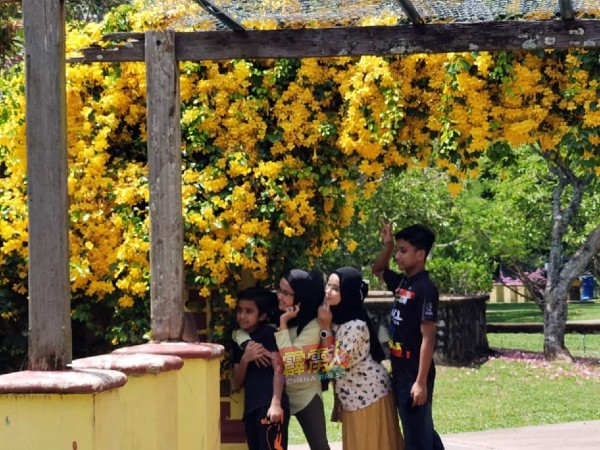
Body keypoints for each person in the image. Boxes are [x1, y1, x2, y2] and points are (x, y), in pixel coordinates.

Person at [372, 222, 445, 450]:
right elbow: (378, 270)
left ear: (420, 254)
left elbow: (428, 337)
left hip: (414, 374)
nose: (397, 256)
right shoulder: (404, 282)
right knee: (420, 432)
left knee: (417, 439)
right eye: (398, 251)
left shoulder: (425, 288)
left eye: (403, 251)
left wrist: (420, 383)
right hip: (400, 371)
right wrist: (388, 245)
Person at [318, 266, 404, 450]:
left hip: (370, 397)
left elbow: (334, 368)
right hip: (354, 398)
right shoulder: (336, 317)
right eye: (328, 285)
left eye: (336, 288)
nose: (328, 291)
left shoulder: (354, 325)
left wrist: (324, 329)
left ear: (348, 292)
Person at [275, 269, 331, 450]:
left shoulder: (314, 325)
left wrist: (283, 324)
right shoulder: (275, 313)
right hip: (279, 394)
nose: (280, 297)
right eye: (279, 290)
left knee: (319, 446)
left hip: (305, 393)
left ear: (301, 297)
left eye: (286, 293)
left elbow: (290, 360)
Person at [232, 287, 290, 450]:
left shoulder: (268, 334)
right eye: (240, 310)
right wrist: (246, 358)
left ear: (263, 315)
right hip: (251, 409)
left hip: (270, 407)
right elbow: (237, 383)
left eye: (249, 311)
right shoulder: (240, 341)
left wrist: (276, 403)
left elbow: (279, 369)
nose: (242, 316)